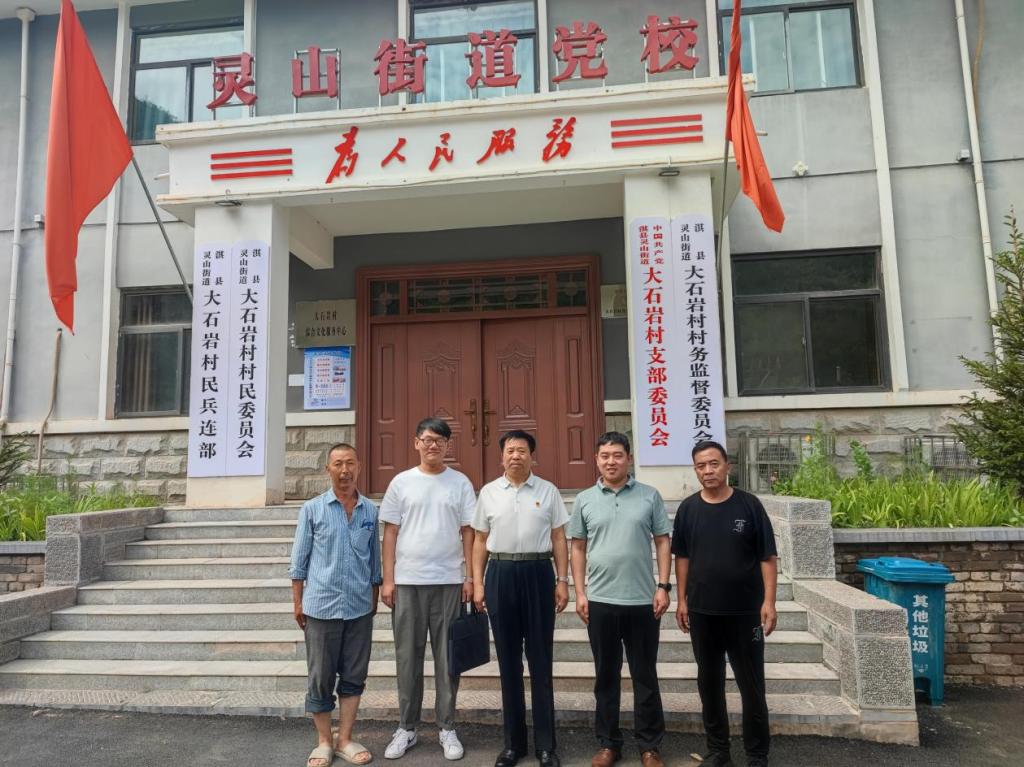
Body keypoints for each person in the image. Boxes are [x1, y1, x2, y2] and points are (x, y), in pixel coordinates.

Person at [568, 432, 673, 767]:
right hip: (600, 601)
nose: (610, 461)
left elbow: (662, 540)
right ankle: (608, 744)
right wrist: (579, 592)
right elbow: (577, 547)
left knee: (645, 675)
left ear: (629, 458)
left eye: (617, 455)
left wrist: (663, 586)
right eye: (604, 456)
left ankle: (650, 746)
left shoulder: (649, 496)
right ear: (596, 460)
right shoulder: (584, 499)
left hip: (642, 601)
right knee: (606, 676)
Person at [673, 440, 778, 767]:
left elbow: (767, 557)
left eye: (713, 464)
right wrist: (681, 600)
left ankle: (757, 754)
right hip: (703, 612)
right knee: (709, 683)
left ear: (727, 466)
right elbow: (682, 558)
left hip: (745, 612)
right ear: (695, 470)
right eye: (701, 466)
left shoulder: (749, 506)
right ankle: (718, 750)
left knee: (752, 685)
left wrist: (769, 602)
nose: (708, 471)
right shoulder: (688, 509)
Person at [379, 417, 476, 761]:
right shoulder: (401, 482)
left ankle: (447, 727)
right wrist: (388, 579)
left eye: (440, 440)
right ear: (416, 442)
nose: (433, 445)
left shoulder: (460, 483)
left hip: (449, 581)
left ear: (448, 445)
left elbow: (469, 532)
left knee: (448, 658)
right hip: (408, 582)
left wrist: (470, 577)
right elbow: (390, 533)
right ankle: (406, 727)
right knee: (408, 658)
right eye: (428, 439)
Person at [471, 430, 570, 767]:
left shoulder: (548, 491)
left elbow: (559, 537)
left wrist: (563, 580)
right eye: (510, 450)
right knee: (508, 662)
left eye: (522, 450)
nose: (516, 456)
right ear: (502, 457)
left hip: (539, 573)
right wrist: (478, 583)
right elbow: (480, 540)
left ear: (532, 455)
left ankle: (546, 745)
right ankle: (513, 745)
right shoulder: (488, 493)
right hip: (500, 575)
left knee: (541, 660)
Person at [289, 443, 381, 767]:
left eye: (350, 463)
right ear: (328, 469)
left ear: (359, 467)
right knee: (321, 677)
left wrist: (373, 599)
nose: (345, 470)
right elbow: (299, 561)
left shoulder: (370, 511)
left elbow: (375, 562)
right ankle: (324, 741)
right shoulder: (312, 509)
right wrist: (297, 601)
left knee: (354, 675)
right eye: (338, 464)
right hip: (321, 606)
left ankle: (345, 739)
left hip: (359, 607)